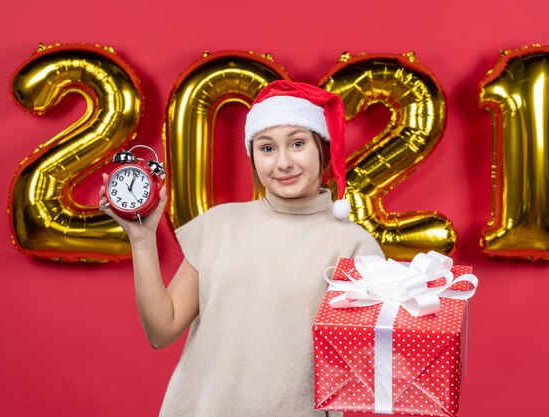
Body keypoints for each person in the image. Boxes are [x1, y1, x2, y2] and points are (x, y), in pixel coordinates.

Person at [100, 80, 383, 417]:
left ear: (322, 146)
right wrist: (142, 239)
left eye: (297, 143)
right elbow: (162, 330)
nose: (283, 163)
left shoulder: (354, 245)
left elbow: (367, 363)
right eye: (266, 148)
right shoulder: (219, 225)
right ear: (252, 156)